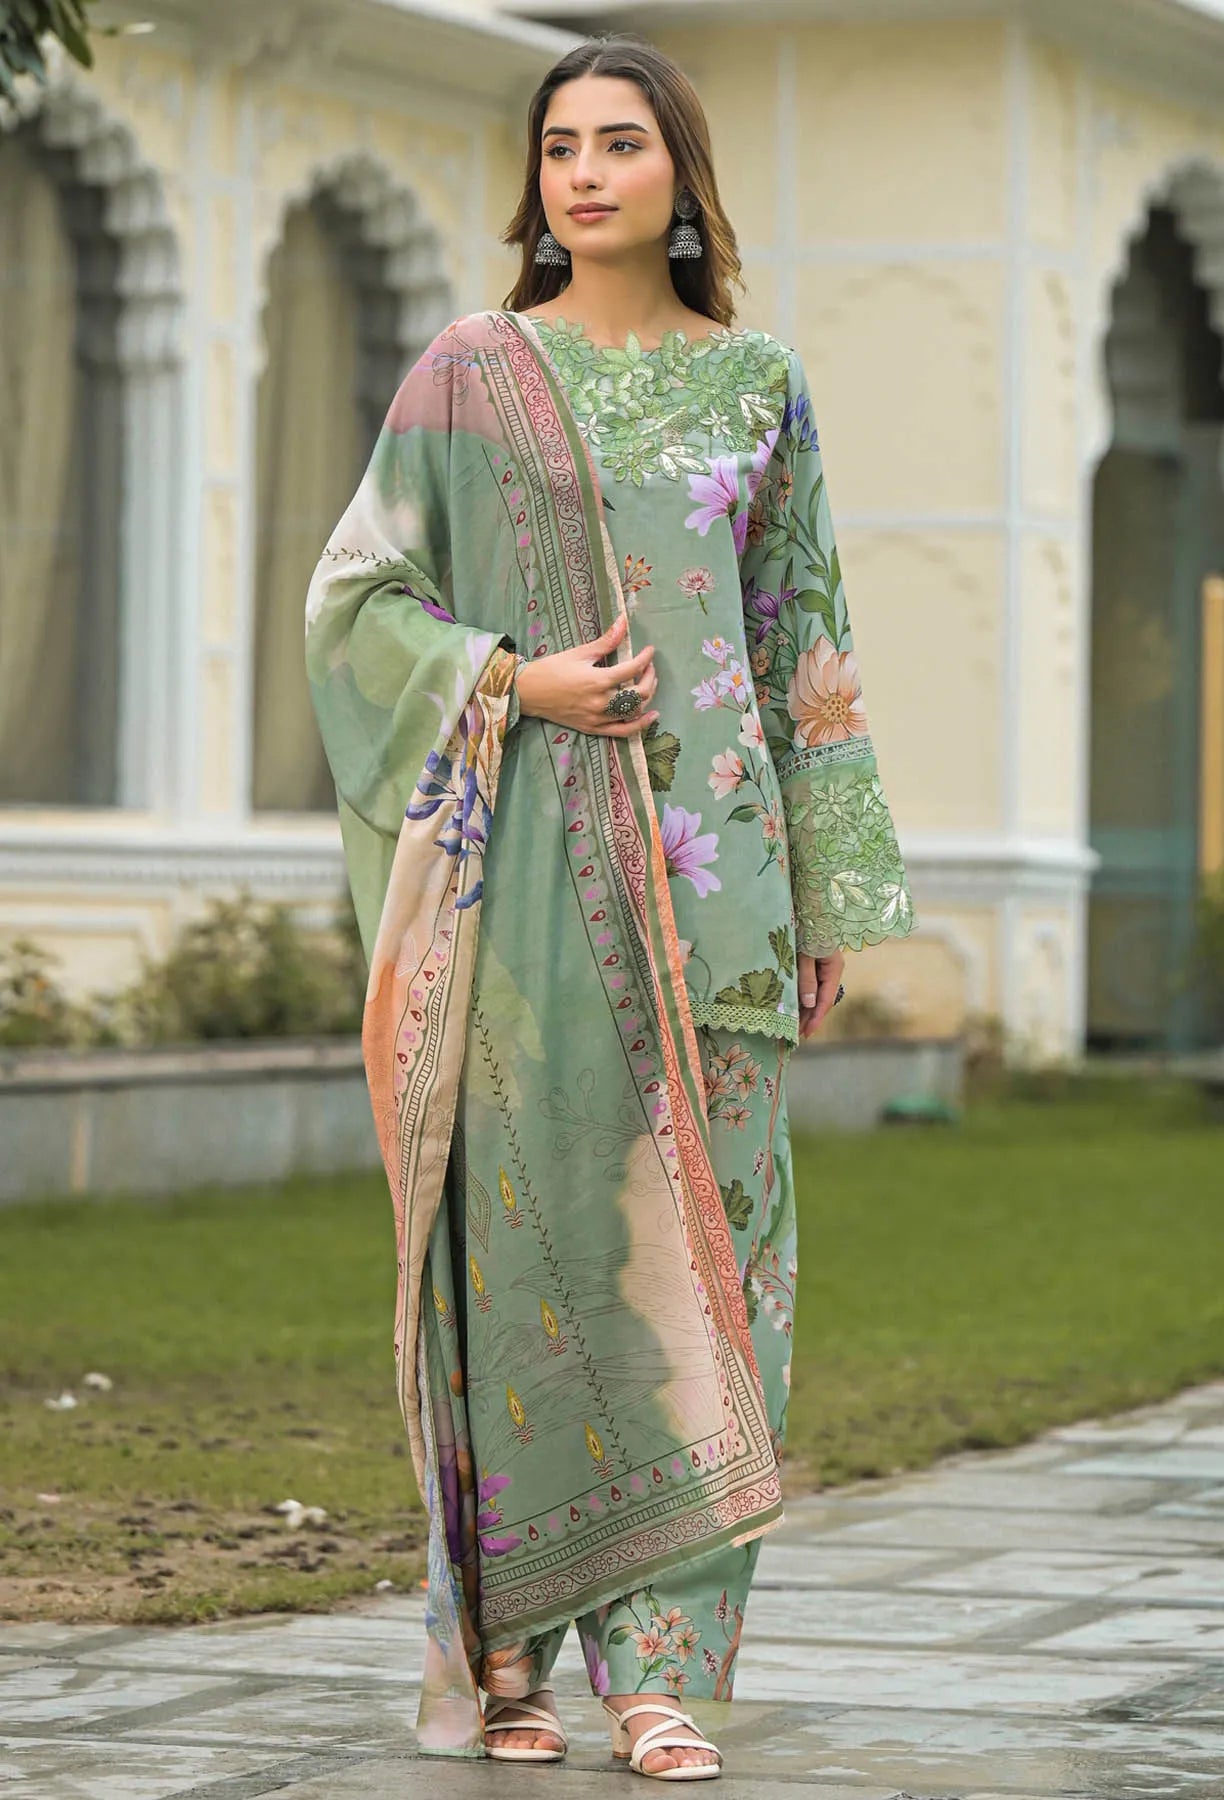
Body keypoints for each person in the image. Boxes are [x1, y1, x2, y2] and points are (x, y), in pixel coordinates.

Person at [305, 32, 915, 1782]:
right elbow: (353, 605)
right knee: (531, 1269)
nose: (584, 170)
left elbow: (808, 645)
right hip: (527, 915)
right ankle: (507, 1662)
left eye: (620, 142)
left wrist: (826, 894)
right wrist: (515, 679)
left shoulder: (760, 388)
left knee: (709, 1276)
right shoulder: (464, 376)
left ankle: (659, 1669)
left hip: (716, 893)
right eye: (559, 143)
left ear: (679, 172)